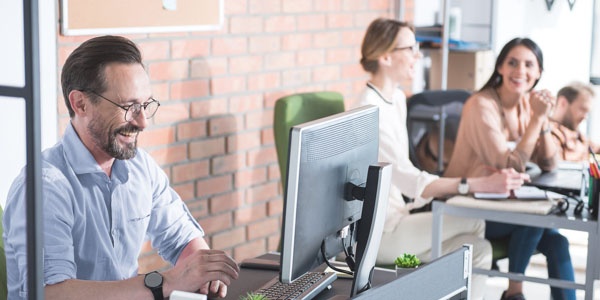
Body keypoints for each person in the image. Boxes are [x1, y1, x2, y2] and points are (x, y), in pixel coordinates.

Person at [3, 35, 239, 300]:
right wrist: (165, 282)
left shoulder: (141, 167)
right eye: (128, 107)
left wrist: (205, 271)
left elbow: (181, 239)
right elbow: (50, 294)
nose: (142, 122)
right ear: (80, 104)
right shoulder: (44, 187)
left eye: (145, 105)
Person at [356, 18, 529, 300]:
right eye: (411, 48)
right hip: (380, 233)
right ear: (386, 56)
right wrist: (475, 185)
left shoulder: (396, 98)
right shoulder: (369, 111)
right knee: (475, 225)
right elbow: (410, 180)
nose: (418, 55)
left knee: (479, 249)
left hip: (400, 215)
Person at [445, 37, 575, 300]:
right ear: (500, 67)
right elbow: (508, 164)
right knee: (535, 217)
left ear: (539, 73)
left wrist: (544, 123)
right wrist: (537, 119)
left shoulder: (529, 105)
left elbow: (549, 162)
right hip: (466, 205)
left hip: (506, 206)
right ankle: (515, 292)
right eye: (512, 63)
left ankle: (517, 292)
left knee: (557, 241)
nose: (520, 71)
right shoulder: (481, 105)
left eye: (529, 65)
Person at [549, 82, 598, 161]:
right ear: (563, 102)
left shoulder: (580, 136)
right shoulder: (547, 133)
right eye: (582, 109)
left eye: (587, 112)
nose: (585, 117)